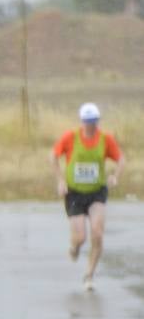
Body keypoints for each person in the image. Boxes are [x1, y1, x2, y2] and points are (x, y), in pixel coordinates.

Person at [51, 102, 125, 291]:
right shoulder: (70, 137)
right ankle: (74, 248)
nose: (91, 125)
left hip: (96, 192)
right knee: (80, 238)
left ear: (97, 121)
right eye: (87, 121)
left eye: (94, 121)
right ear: (82, 121)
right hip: (74, 192)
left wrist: (115, 176)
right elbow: (53, 156)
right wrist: (60, 180)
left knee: (97, 233)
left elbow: (121, 159)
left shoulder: (105, 139)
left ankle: (89, 276)